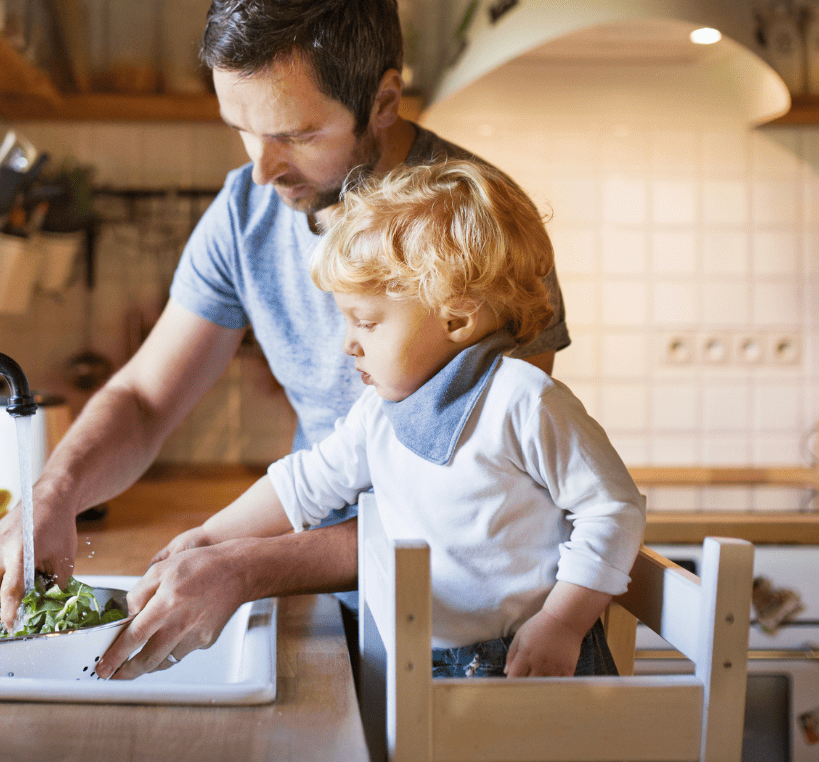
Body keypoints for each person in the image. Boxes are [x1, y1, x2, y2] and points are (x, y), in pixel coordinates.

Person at [0, 0, 570, 678]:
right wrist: (52, 495)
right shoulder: (244, 210)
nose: (261, 165)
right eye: (242, 127)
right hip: (329, 593)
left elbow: (475, 505)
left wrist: (251, 566)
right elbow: (146, 400)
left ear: (381, 101)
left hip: (471, 627)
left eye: (296, 133)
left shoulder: (482, 232)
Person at [142, 159, 644, 677]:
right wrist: (209, 537)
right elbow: (304, 483)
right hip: (420, 660)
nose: (349, 344)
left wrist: (563, 622)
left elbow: (613, 511)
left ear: (456, 318)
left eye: (366, 321)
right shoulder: (380, 412)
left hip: (531, 658)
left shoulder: (525, 401)